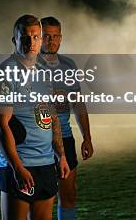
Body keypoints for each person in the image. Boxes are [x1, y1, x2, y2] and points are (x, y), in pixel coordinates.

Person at [0, 14, 70, 220]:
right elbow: (1, 125)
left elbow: (51, 116)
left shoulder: (43, 72)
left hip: (45, 163)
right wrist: (17, 167)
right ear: (14, 40)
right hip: (20, 164)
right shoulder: (6, 73)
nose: (31, 43)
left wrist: (60, 155)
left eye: (36, 37)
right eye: (25, 38)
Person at [39, 17, 93, 220]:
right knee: (40, 199)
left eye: (55, 36)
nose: (50, 41)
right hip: (38, 141)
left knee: (68, 195)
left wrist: (86, 137)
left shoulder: (69, 65)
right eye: (46, 36)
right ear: (39, 37)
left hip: (66, 137)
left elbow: (78, 103)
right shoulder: (28, 65)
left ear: (60, 38)